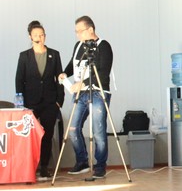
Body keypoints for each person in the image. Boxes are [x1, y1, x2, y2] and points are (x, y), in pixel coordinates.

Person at [57, 16, 113, 179]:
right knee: (73, 128)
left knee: (98, 130)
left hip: (98, 92)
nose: (78, 35)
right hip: (80, 93)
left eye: (80, 31)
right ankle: (82, 161)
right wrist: (65, 73)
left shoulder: (104, 46)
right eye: (76, 32)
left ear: (91, 29)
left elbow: (103, 73)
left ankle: (100, 166)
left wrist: (83, 83)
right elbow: (73, 64)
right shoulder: (78, 46)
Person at [15, 21, 65, 181]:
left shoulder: (54, 54)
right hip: (30, 102)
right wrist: (21, 103)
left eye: (41, 35)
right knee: (29, 135)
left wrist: (59, 101)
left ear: (45, 36)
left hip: (50, 102)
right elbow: (19, 80)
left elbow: (59, 78)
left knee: (47, 135)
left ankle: (44, 167)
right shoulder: (24, 56)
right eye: (35, 35)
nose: (39, 37)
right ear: (30, 37)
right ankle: (29, 167)